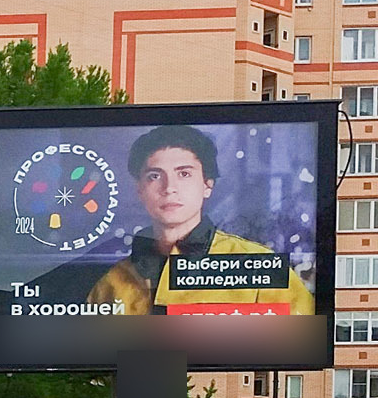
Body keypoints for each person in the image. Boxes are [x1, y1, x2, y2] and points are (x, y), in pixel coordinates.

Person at [85, 125, 315, 316]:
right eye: (155, 176)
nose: (169, 189)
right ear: (139, 189)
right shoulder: (111, 282)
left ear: (208, 185)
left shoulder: (258, 265)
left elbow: (302, 341)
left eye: (184, 174)